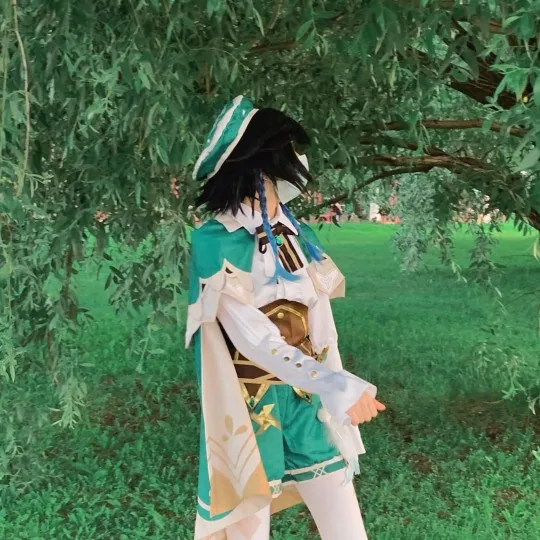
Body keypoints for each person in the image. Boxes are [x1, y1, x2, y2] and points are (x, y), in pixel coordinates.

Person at [186, 96, 386, 540]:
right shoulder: (214, 242)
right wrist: (338, 386)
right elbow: (256, 340)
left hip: (308, 399)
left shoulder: (299, 234)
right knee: (248, 529)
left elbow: (322, 326)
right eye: (288, 150)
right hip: (251, 405)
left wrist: (335, 388)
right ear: (261, 166)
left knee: (347, 527)